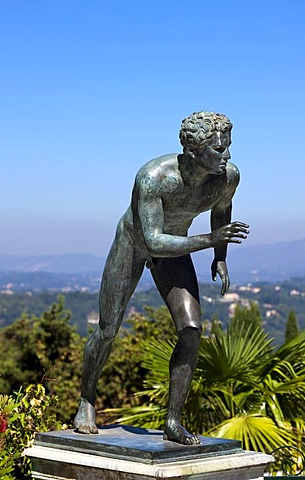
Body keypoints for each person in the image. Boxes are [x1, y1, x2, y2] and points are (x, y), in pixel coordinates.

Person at [74, 111, 249, 445]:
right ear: (193, 151)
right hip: (134, 244)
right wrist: (211, 242)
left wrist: (221, 257)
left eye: (228, 147)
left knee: (191, 330)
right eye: (217, 150)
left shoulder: (227, 177)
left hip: (178, 247)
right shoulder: (153, 177)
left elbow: (221, 210)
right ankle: (86, 399)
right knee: (108, 330)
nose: (226, 156)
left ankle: (173, 420)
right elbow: (153, 240)